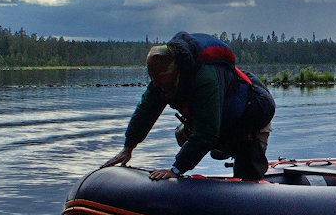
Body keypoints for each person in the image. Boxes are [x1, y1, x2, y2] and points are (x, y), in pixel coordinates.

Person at [101, 32, 275, 181]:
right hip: (223, 117)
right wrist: (128, 147)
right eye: (153, 79)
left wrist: (176, 169)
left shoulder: (204, 79)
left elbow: (206, 134)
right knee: (182, 134)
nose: (156, 84)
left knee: (248, 170)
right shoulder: (161, 79)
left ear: (176, 72)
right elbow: (146, 111)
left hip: (252, 112)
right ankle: (225, 148)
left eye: (161, 80)